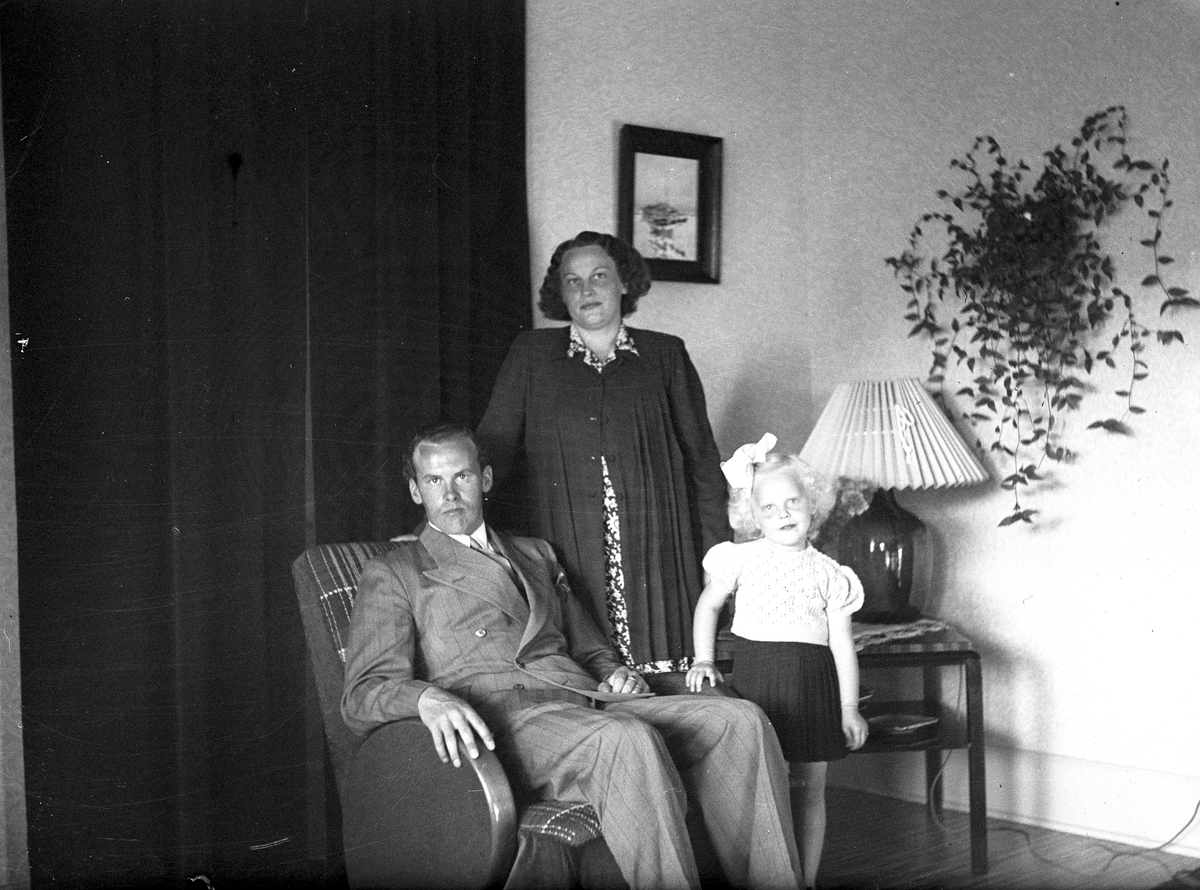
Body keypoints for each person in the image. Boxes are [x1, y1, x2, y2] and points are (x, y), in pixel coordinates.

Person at [342, 422, 803, 890]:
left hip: (586, 702)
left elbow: (589, 648)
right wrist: (427, 700)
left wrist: (615, 672)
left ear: (485, 479)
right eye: (433, 480)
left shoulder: (534, 553)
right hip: (506, 723)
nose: (449, 494)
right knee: (624, 739)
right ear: (416, 492)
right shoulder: (396, 571)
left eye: (461, 476)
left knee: (740, 721)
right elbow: (363, 693)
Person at [477, 231, 732, 693]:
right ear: (560, 293)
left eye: (599, 276)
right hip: (565, 551)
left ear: (624, 283)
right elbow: (490, 455)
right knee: (589, 689)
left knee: (677, 699)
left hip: (658, 557)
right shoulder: (532, 355)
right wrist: (455, 531)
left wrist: (718, 558)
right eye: (572, 281)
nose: (586, 289)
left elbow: (703, 466)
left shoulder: (666, 355)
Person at [686, 434, 869, 890]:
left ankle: (805, 880)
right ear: (752, 515)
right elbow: (709, 606)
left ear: (812, 505)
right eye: (769, 508)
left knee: (811, 790)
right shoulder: (741, 559)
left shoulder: (831, 574)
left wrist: (849, 707)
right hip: (758, 685)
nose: (783, 514)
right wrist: (704, 659)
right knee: (762, 787)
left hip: (813, 689)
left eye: (792, 502)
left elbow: (842, 645)